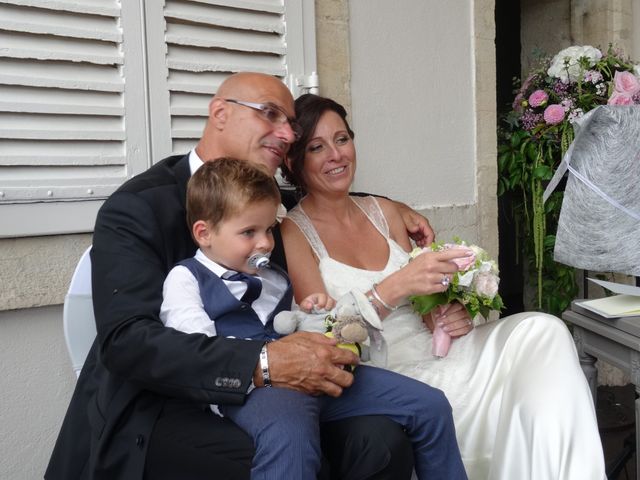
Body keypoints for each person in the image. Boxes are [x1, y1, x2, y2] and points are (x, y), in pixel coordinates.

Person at [45, 72, 443, 480]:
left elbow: (333, 200)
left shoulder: (279, 204)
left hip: (279, 390)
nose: (287, 134)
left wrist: (394, 208)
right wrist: (263, 363)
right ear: (220, 112)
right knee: (281, 451)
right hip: (161, 406)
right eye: (270, 115)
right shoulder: (137, 207)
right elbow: (129, 342)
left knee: (381, 440)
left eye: (290, 123)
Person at [280, 93, 607, 480]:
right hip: (388, 371)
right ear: (293, 160)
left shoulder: (385, 212)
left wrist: (448, 312)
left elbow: (424, 302)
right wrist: (396, 285)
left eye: (342, 139)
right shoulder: (293, 233)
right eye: (317, 147)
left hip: (442, 350)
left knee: (543, 329)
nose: (336, 155)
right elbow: (327, 339)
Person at [159, 157, 467, 479]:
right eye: (249, 232)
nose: (265, 243)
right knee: (291, 439)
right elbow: (198, 352)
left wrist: (315, 313)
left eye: (268, 230)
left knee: (429, 406)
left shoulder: (274, 277)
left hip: (314, 372)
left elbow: (296, 326)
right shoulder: (186, 278)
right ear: (204, 233)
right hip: (251, 391)